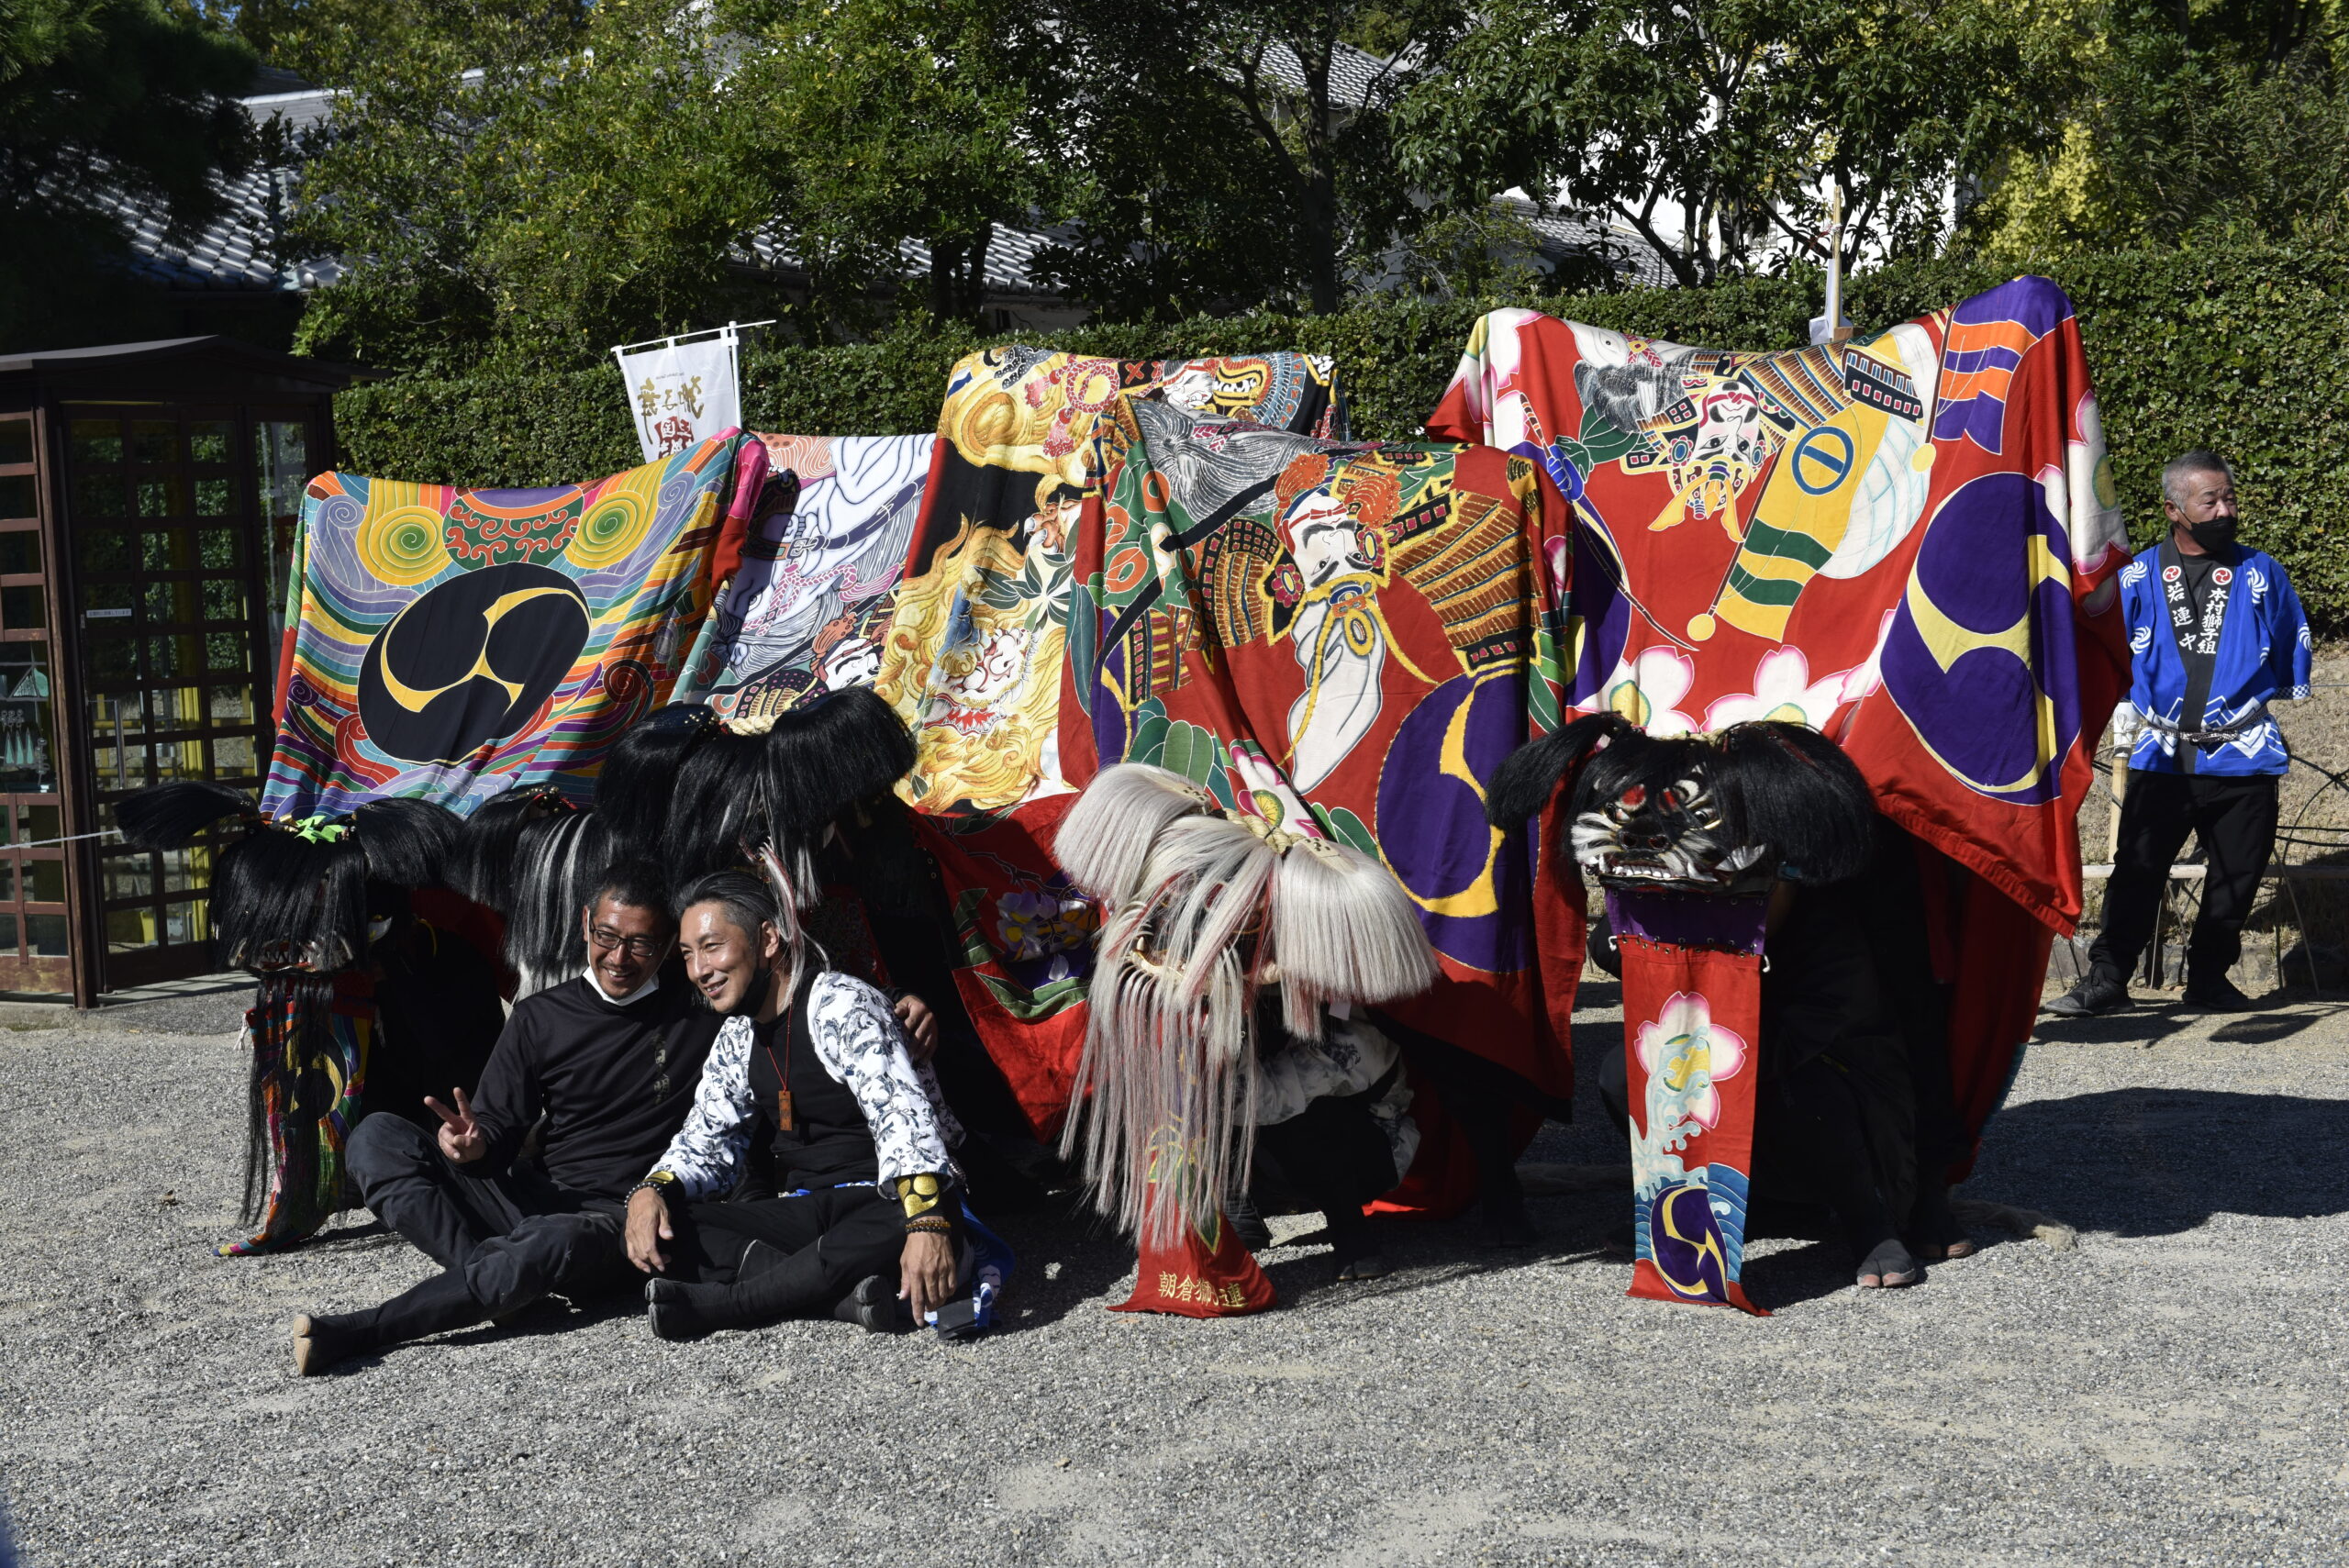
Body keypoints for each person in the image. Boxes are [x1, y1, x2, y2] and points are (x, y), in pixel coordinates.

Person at [292, 860, 706, 1373]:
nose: (619, 957)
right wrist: (474, 1144)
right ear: (584, 925)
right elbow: (500, 1124)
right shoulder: (541, 1015)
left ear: (668, 945)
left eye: (641, 944)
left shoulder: (698, 1013)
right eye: (606, 936)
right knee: (376, 1136)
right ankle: (497, 1286)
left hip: (615, 1220)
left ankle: (364, 1329)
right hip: (534, 1196)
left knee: (553, 1240)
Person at [627, 871, 971, 1339]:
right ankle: (840, 1298)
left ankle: (728, 1305)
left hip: (885, 1200)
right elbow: (705, 1141)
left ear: (767, 938)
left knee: (905, 1219)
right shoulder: (737, 1036)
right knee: (675, 1226)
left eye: (711, 947)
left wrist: (927, 1225)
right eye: (688, 955)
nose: (698, 970)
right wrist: (651, 1191)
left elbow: (902, 1118)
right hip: (808, 1211)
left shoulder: (841, 1004)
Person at [2049, 450, 2312, 1017]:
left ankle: (2209, 978)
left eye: (2230, 497)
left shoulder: (2262, 573)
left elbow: (2291, 648)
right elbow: (2099, 648)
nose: (2225, 509)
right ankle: (2108, 979)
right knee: (2136, 872)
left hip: (2244, 754)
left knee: (2237, 879)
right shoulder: (2135, 576)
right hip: (2161, 754)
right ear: (2174, 509)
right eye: (2209, 500)